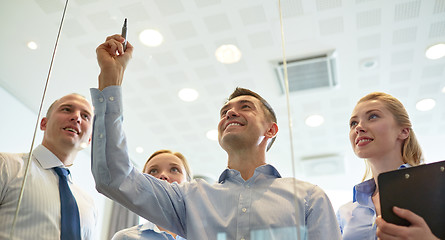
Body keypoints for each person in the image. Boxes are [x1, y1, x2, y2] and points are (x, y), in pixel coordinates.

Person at [91, 34, 341, 239]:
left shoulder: (308, 198)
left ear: (271, 130)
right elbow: (113, 177)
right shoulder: (189, 198)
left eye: (245, 107)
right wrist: (111, 79)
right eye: (225, 111)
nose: (231, 112)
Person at [337, 92, 439, 240]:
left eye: (372, 116)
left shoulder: (436, 188)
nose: (358, 127)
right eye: (353, 123)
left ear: (403, 131)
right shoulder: (345, 213)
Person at [0, 93, 97, 239]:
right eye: (66, 109)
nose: (76, 117)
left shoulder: (89, 205)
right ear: (44, 123)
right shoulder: (6, 165)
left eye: (85, 116)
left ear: (89, 139)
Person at [112, 150, 191, 240]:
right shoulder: (125, 238)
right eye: (153, 171)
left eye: (174, 169)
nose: (163, 175)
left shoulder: (205, 235)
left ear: (188, 183)